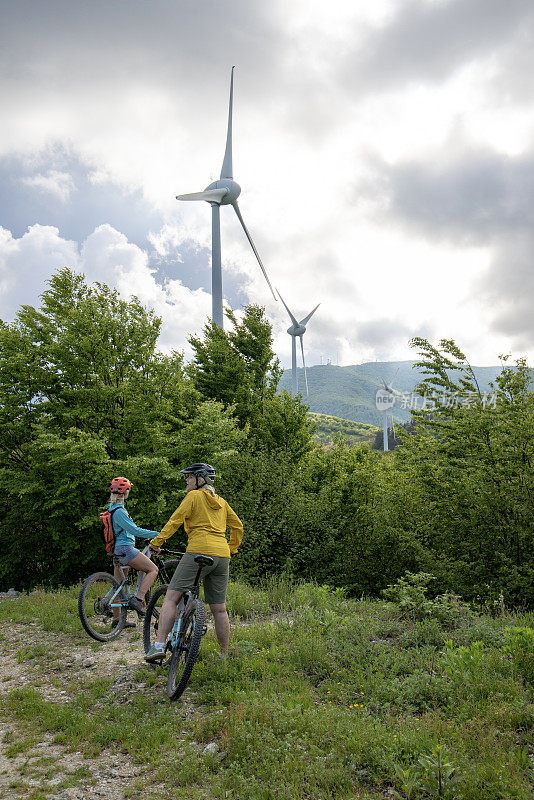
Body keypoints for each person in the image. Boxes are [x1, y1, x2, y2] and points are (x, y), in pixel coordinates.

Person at [144, 462, 243, 661]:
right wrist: (230, 549)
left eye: (189, 477)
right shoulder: (222, 502)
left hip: (198, 550)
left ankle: (158, 646)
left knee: (172, 597)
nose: (186, 480)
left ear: (200, 479)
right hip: (222, 556)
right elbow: (238, 526)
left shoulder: (193, 496)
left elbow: (175, 521)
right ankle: (223, 656)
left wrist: (156, 543)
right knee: (219, 608)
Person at [108, 476, 161, 618]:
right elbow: (135, 531)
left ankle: (118, 620)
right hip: (126, 549)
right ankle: (138, 599)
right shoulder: (119, 511)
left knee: (118, 585)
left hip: (117, 550)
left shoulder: (112, 509)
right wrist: (159, 534)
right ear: (125, 494)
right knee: (153, 569)